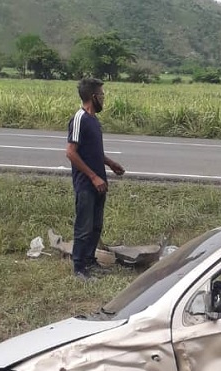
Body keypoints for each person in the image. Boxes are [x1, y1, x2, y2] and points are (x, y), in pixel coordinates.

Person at [65, 77, 124, 280]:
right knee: (83, 226)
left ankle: (90, 260)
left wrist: (110, 163)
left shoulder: (93, 120)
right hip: (86, 183)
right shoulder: (79, 118)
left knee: (96, 225)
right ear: (93, 97)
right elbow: (71, 152)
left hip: (99, 181)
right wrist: (93, 177)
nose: (104, 99)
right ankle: (79, 268)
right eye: (102, 95)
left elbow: (92, 151)